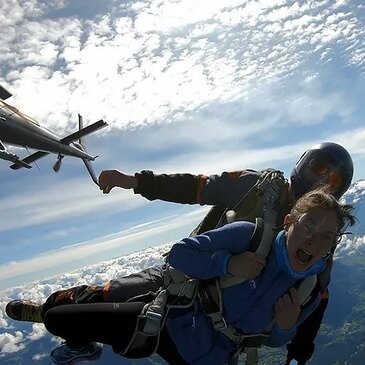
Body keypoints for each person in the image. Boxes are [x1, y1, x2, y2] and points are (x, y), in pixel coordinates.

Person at [6, 187, 356, 365]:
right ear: (290, 222)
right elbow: (180, 254)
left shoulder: (308, 286)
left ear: (331, 247)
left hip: (215, 358)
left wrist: (285, 326)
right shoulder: (249, 236)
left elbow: (273, 342)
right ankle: (81, 347)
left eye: (327, 236)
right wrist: (228, 265)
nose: (314, 239)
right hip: (169, 323)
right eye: (309, 225)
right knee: (57, 319)